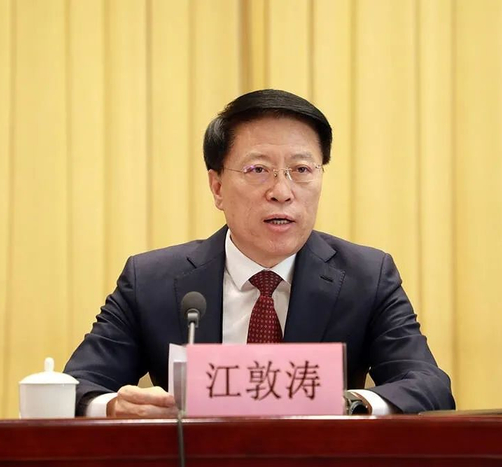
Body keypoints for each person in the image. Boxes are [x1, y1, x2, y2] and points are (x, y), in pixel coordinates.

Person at [64, 89, 455, 417]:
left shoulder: (366, 276)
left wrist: (350, 404)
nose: (282, 192)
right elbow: (77, 385)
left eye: (302, 170)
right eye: (257, 170)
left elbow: (429, 385)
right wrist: (113, 407)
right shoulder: (152, 280)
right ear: (217, 187)